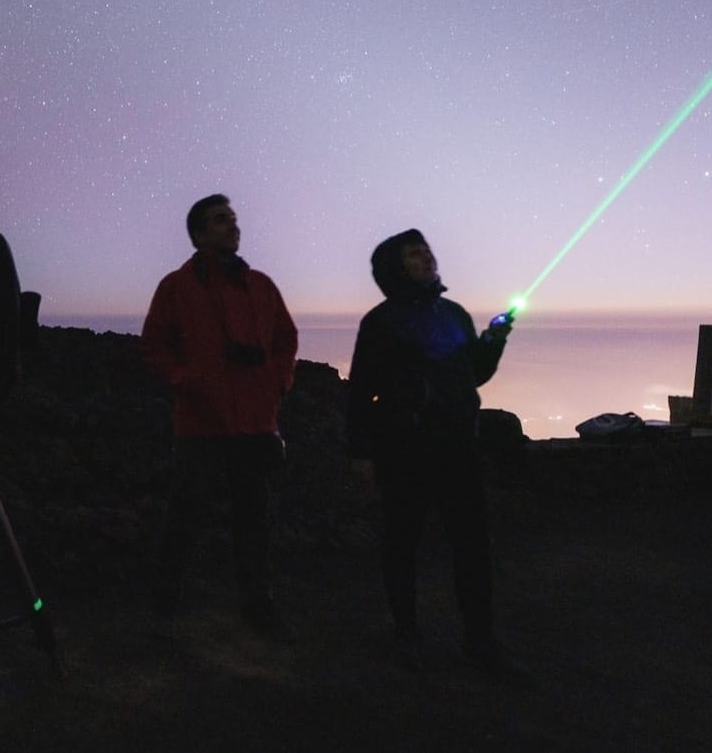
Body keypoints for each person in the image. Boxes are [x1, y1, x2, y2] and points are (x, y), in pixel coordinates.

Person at [344, 229, 523, 679]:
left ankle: (479, 642)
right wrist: (361, 452)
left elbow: (473, 375)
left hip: (458, 447)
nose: (426, 256)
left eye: (426, 249)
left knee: (473, 547)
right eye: (412, 252)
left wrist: (494, 340)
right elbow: (362, 389)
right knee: (402, 544)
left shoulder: (455, 315)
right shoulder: (381, 322)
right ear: (394, 267)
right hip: (404, 449)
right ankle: (407, 637)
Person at [140, 194, 300, 641]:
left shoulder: (262, 286)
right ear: (197, 234)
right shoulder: (176, 286)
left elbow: (286, 338)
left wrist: (279, 382)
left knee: (254, 518)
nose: (231, 226)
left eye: (232, 218)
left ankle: (257, 602)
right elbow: (154, 346)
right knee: (184, 515)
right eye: (219, 220)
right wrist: (186, 379)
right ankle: (165, 597)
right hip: (201, 424)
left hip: (255, 422)